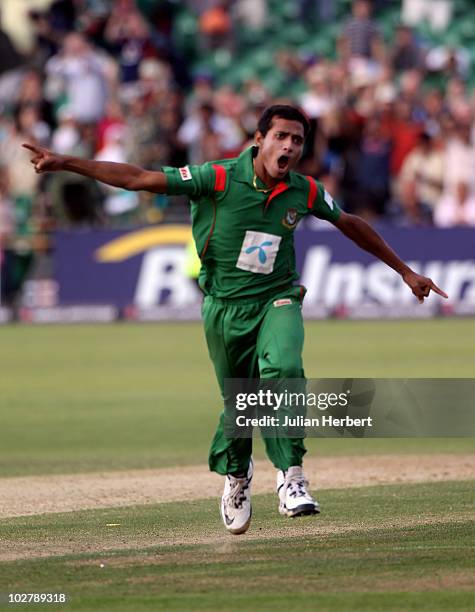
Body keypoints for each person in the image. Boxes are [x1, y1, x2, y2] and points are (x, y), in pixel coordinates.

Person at [23, 104, 447, 536]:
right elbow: (140, 178)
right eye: (281, 136)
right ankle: (237, 477)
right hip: (224, 307)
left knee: (282, 368)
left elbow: (350, 223)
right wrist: (66, 162)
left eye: (297, 140)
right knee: (241, 403)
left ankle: (291, 477)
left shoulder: (305, 190)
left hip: (277, 299)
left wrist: (405, 271)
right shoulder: (217, 177)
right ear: (258, 139)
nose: (289, 146)